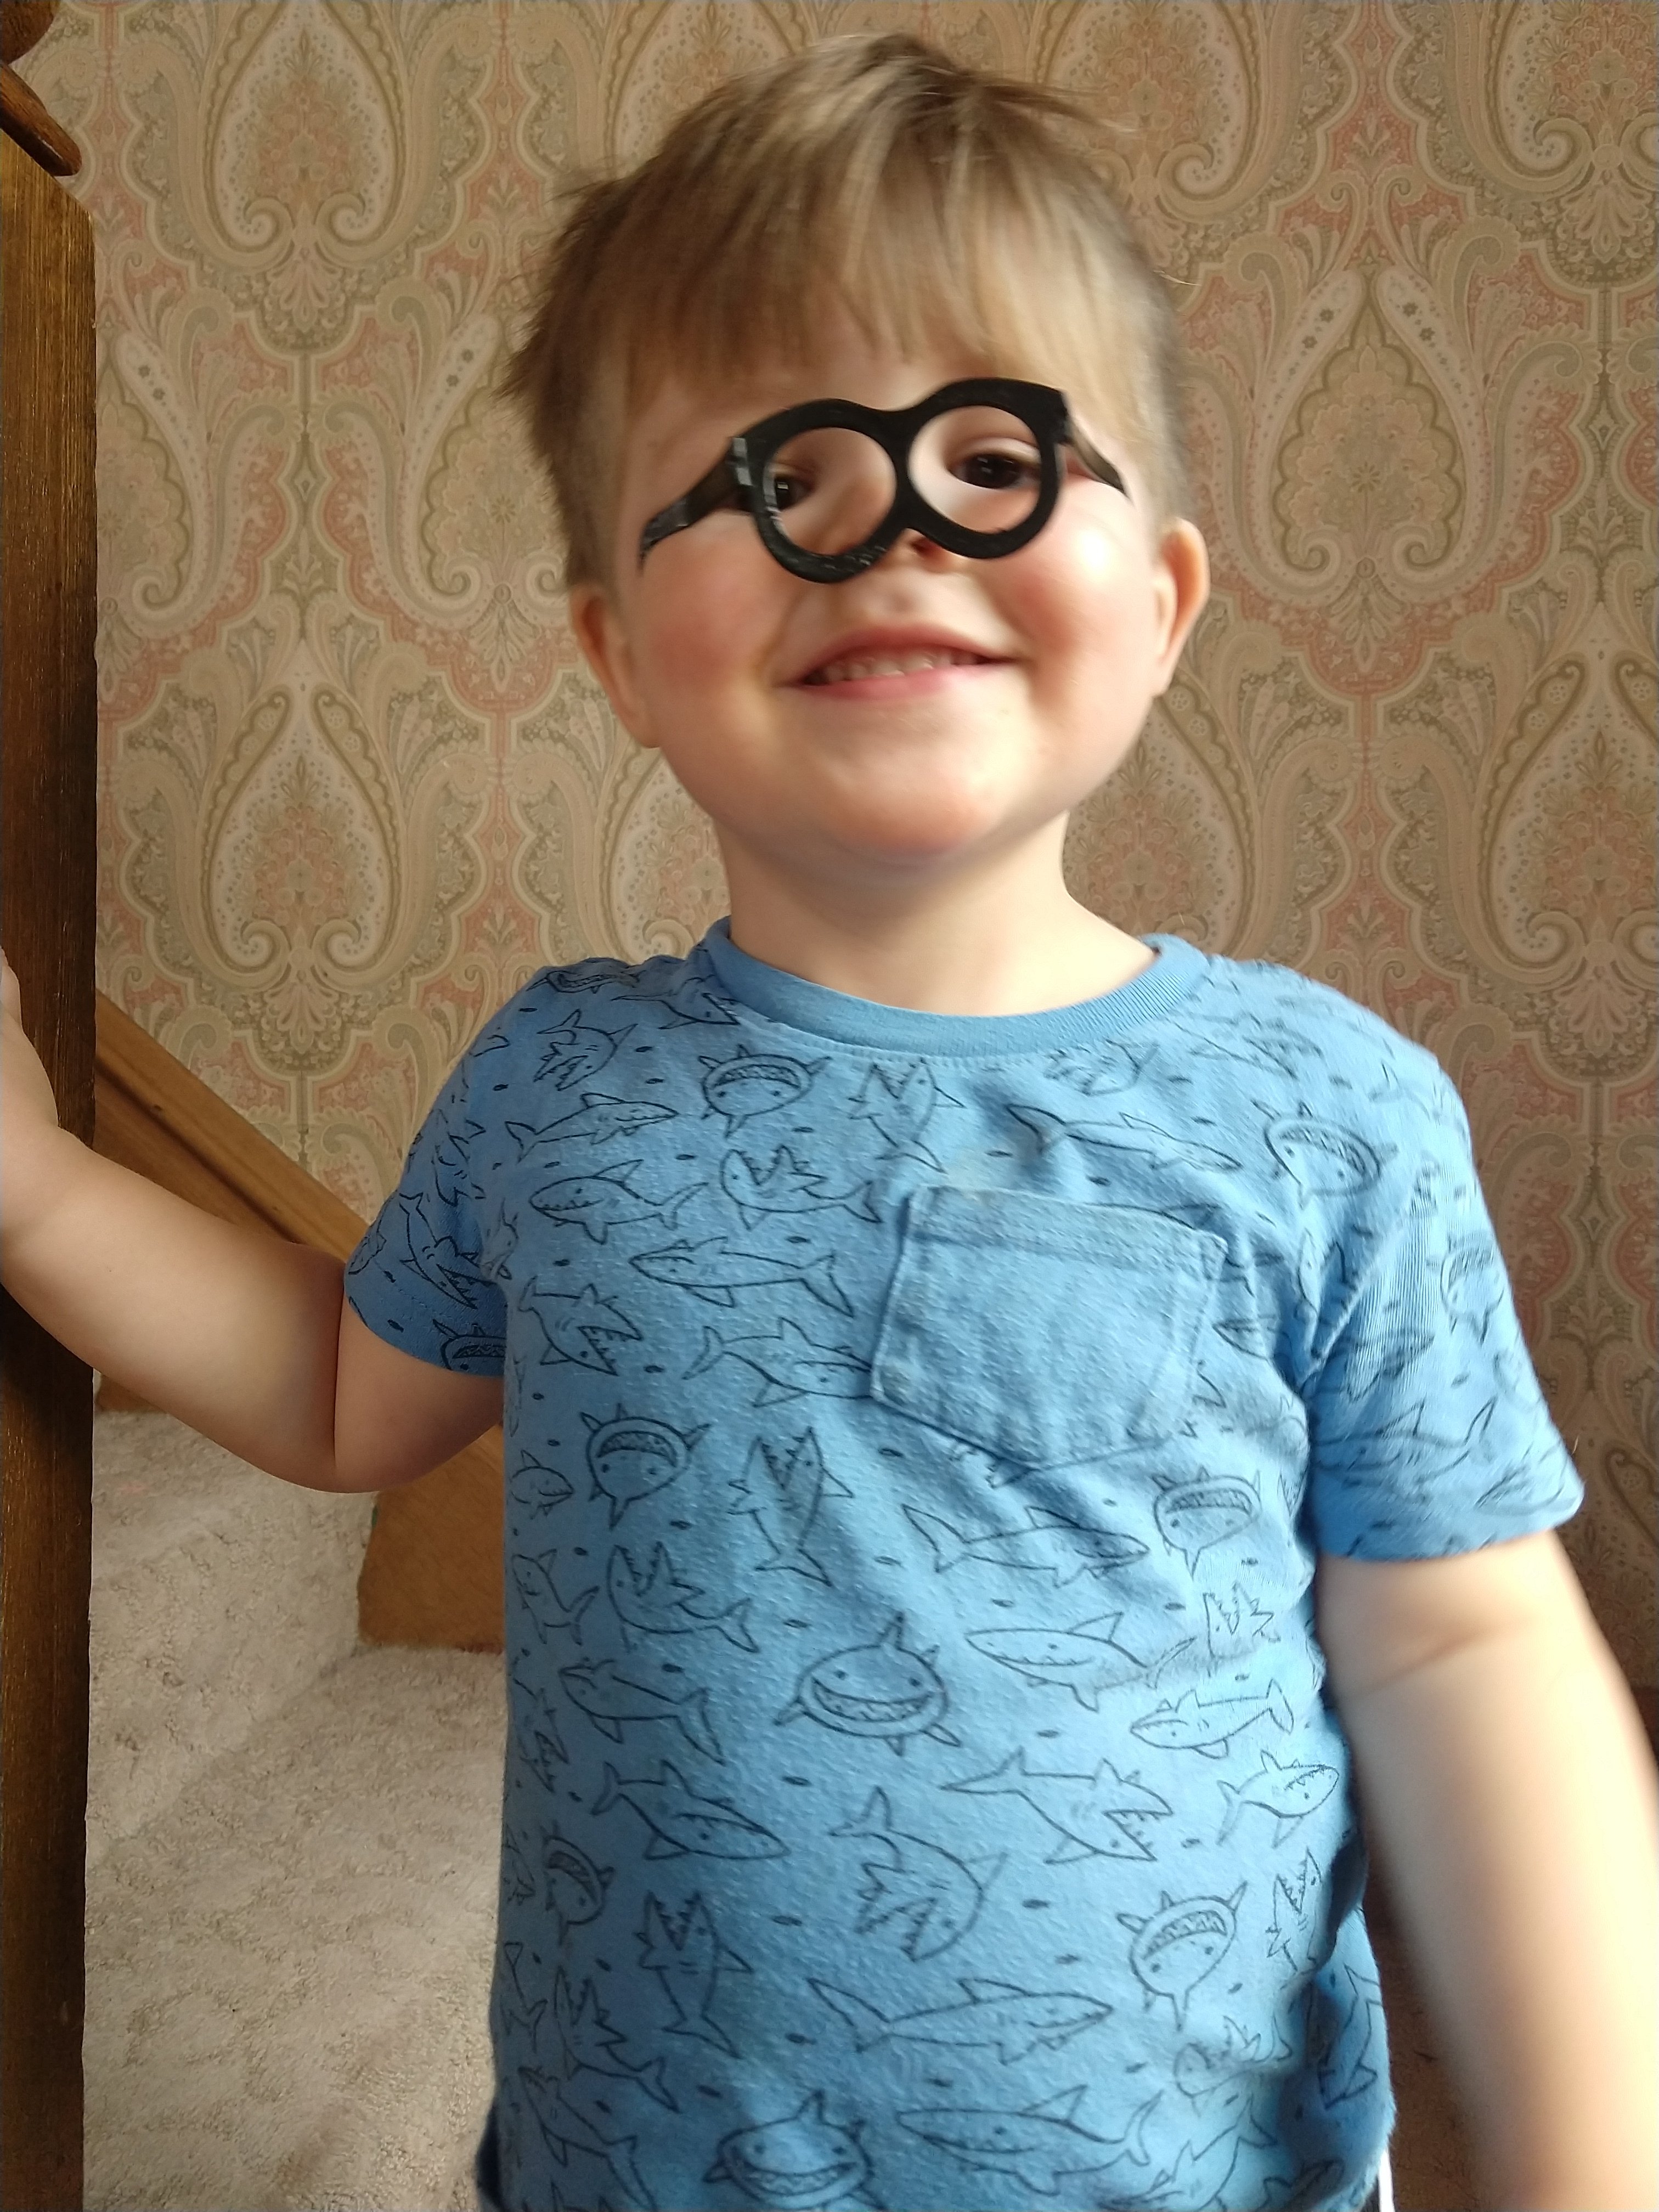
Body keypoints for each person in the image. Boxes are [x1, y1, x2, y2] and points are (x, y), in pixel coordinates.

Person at [3, 32, 1655, 2212]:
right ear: (620, 650)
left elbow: (1467, 1644)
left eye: (993, 453)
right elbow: (336, 1384)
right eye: (779, 469)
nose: (888, 526)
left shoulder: (1326, 1115)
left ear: (1161, 604)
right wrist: (33, 1188)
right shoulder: (562, 1086)